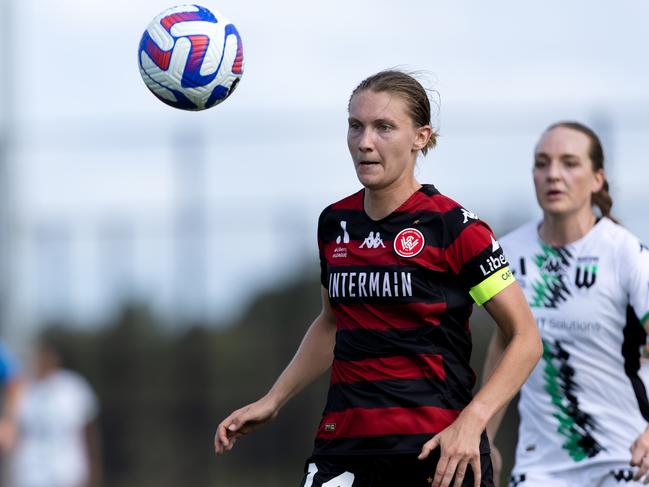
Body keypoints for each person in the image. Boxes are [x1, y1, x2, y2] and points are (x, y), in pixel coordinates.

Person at [214, 70, 542, 487]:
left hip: (435, 449)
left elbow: (526, 338)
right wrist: (273, 399)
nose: (365, 141)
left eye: (384, 127)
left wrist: (473, 421)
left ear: (420, 137)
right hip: (344, 445)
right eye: (356, 126)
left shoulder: (455, 228)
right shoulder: (335, 223)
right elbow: (332, 323)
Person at [483, 121, 649, 487]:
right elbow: (504, 343)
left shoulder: (625, 253)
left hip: (625, 461)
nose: (553, 174)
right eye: (542, 163)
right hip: (540, 467)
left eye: (569, 163)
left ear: (597, 179)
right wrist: (485, 437)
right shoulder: (507, 253)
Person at [10, 330, 102, 487]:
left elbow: (89, 433)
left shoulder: (74, 387)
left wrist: (94, 472)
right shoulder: (21, 391)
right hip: (30, 476)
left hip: (68, 474)